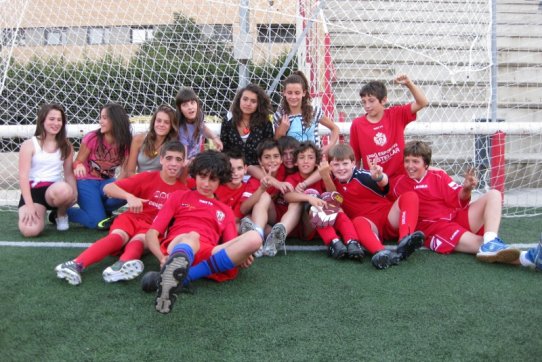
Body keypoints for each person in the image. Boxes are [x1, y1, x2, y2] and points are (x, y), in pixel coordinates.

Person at [145, 150, 263, 314]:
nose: (206, 183)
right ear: (195, 175)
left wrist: (243, 254)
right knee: (192, 236)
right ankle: (177, 271)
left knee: (254, 238)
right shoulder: (179, 196)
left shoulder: (225, 211)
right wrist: (161, 257)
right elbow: (151, 233)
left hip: (207, 252)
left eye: (213, 179)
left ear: (221, 180)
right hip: (177, 246)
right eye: (202, 177)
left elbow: (230, 245)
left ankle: (180, 277)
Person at [54, 141, 187, 285]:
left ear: (183, 162)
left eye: (178, 159)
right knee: (118, 236)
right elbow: (108, 188)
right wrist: (130, 197)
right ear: (161, 159)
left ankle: (120, 266)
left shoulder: (183, 191)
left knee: (140, 240)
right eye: (169, 158)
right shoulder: (147, 177)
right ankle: (75, 264)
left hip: (152, 229)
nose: (173, 163)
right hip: (131, 219)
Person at [391, 140, 521, 264]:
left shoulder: (439, 176)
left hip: (455, 217)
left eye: (415, 161)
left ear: (426, 164)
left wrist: (467, 188)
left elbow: (459, 198)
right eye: (407, 161)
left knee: (494, 194)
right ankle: (526, 258)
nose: (410, 166)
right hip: (436, 229)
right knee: (479, 243)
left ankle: (491, 240)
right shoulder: (398, 184)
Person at [324, 143, 425, 270]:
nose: (341, 168)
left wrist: (380, 177)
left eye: (345, 164)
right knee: (358, 221)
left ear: (353, 163)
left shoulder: (362, 176)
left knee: (410, 196)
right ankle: (381, 253)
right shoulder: (331, 182)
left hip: (388, 216)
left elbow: (384, 185)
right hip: (370, 225)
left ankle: (405, 239)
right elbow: (335, 198)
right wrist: (324, 175)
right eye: (336, 164)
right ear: (330, 166)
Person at [282, 141, 363, 261]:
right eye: (302, 157)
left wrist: (326, 176)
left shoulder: (323, 175)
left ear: (316, 162)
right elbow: (287, 196)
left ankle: (352, 241)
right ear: (295, 162)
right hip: (307, 227)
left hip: (327, 221)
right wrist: (309, 198)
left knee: (336, 206)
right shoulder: (293, 178)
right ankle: (333, 243)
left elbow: (336, 197)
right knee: (313, 199)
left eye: (310, 157)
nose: (306, 161)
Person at [349, 74, 429, 181]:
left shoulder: (396, 114)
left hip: (401, 178)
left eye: (371, 101)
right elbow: (356, 159)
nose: (367, 105)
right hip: (375, 180)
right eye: (364, 102)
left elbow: (422, 102)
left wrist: (409, 84)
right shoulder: (357, 124)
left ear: (384, 100)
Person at [67, 103, 132, 229]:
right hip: (86, 182)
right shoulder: (92, 138)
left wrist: (116, 186)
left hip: (106, 182)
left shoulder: (126, 142)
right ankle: (62, 213)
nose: (100, 121)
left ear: (116, 120)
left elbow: (125, 170)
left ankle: (100, 211)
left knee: (129, 191)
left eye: (104, 118)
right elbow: (77, 162)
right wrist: (79, 165)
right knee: (97, 223)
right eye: (100, 117)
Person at [18, 103, 77, 236]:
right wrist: (29, 205)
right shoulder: (29, 145)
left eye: (59, 120)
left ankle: (60, 214)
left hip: (54, 191)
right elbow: (23, 176)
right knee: (30, 231)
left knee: (65, 190)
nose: (56, 123)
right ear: (42, 120)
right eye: (51, 119)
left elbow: (68, 174)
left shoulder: (66, 146)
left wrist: (74, 193)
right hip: (33, 192)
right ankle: (40, 213)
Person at [274, 70, 339, 156]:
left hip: (313, 161)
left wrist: (329, 146)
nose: (293, 97)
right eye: (290, 93)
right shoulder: (280, 115)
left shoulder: (314, 111)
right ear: (284, 92)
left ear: (304, 93)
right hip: (292, 162)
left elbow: (335, 128)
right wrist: (282, 130)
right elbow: (275, 142)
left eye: (297, 93)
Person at [220, 84, 274, 166]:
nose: (248, 104)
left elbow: (268, 150)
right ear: (239, 100)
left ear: (258, 104)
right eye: (245, 99)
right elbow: (224, 149)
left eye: (253, 101)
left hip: (258, 168)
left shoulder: (265, 123)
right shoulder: (228, 121)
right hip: (233, 169)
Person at [125, 104, 179, 176]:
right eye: (159, 121)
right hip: (139, 180)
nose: (161, 124)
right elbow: (130, 171)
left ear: (171, 126)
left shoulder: (172, 145)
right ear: (154, 122)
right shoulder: (138, 139)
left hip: (159, 183)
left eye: (166, 122)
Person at [215, 150, 260, 230]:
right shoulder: (216, 186)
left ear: (245, 169)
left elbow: (237, 216)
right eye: (231, 169)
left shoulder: (247, 187)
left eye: (239, 168)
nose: (235, 173)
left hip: (234, 224)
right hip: (218, 224)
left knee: (250, 219)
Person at [175, 87, 222, 162]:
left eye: (192, 103)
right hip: (186, 162)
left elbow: (202, 127)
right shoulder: (182, 130)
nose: (190, 107)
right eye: (185, 105)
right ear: (180, 109)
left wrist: (215, 138)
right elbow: (184, 159)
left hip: (197, 158)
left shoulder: (199, 115)